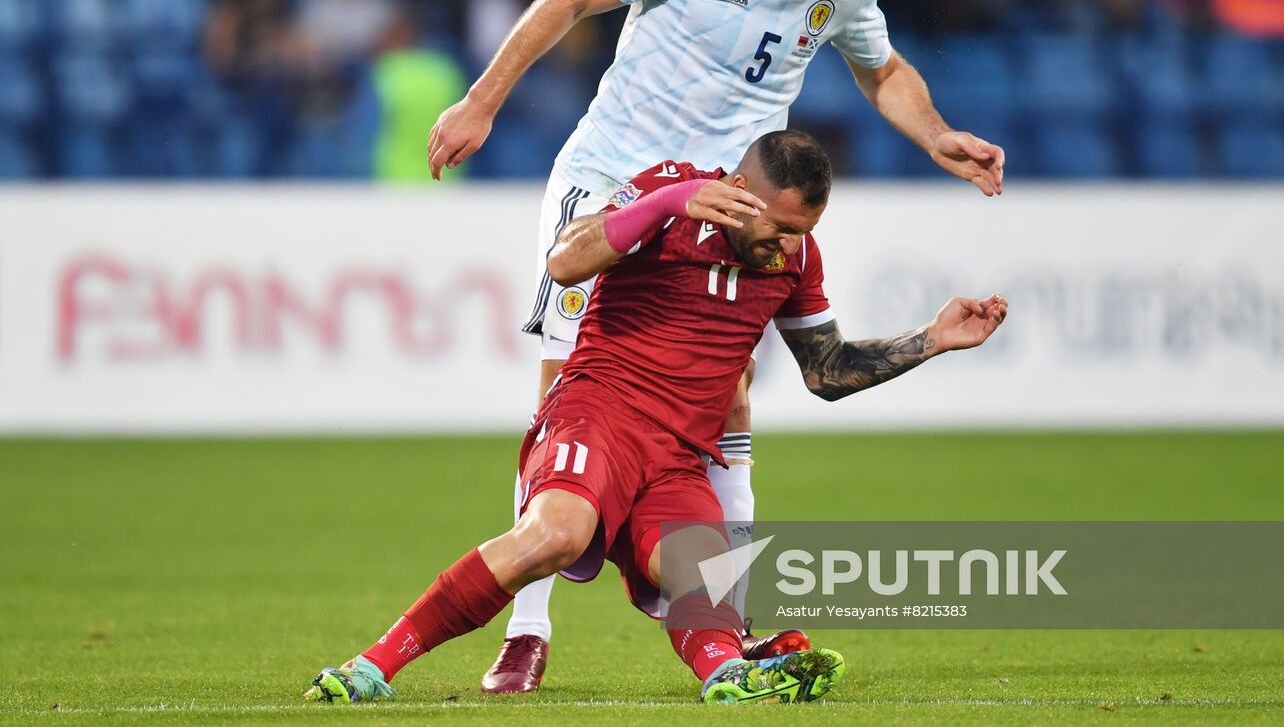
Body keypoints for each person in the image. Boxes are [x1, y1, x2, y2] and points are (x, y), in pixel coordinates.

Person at [426, 0, 1006, 693]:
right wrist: (481, 101)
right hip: (614, 191)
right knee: (564, 393)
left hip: (730, 211)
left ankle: (729, 619)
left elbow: (882, 70)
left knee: (727, 397)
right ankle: (527, 627)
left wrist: (937, 135)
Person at [306, 131, 1007, 706]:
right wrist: (668, 201)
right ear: (740, 192)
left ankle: (727, 676)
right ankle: (371, 666)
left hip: (677, 458)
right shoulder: (669, 196)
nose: (789, 246)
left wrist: (931, 340)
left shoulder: (796, 260)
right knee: (556, 534)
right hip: (597, 414)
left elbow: (827, 371)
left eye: (804, 232)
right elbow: (565, 261)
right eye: (781, 227)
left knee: (705, 578)